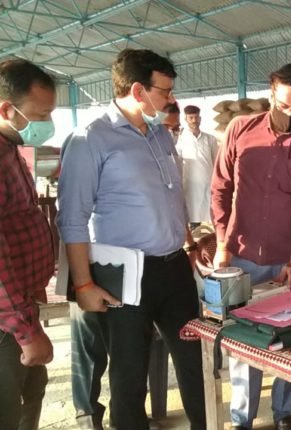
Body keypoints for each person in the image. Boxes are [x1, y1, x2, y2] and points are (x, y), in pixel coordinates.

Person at [57, 49, 205, 430]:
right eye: (165, 91)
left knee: (196, 365)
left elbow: (172, 197)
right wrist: (83, 284)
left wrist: (188, 245)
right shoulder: (90, 139)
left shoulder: (160, 134)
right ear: (138, 90)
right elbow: (72, 219)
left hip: (174, 269)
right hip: (124, 276)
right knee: (128, 375)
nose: (171, 99)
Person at [212, 63, 291, 430]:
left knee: (290, 341)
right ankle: (242, 418)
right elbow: (220, 187)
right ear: (271, 93)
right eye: (285, 106)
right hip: (243, 257)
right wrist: (222, 242)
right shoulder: (240, 129)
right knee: (244, 342)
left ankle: (283, 413)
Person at [0, 58, 56, 430]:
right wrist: (26, 331)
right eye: (40, 115)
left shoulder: (11, 148)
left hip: (22, 305)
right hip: (6, 322)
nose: (47, 124)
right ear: (7, 109)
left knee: (31, 391)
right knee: (7, 408)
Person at [176, 104, 219, 230]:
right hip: (190, 186)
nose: (194, 120)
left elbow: (216, 161)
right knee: (193, 218)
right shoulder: (181, 140)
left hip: (208, 183)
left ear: (200, 118)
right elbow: (178, 162)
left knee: (214, 216)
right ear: (186, 119)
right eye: (191, 118)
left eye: (196, 117)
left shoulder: (210, 139)